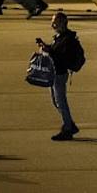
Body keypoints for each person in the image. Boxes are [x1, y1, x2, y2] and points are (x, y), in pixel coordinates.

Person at [37, 11, 83, 140]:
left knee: (60, 101)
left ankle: (68, 128)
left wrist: (49, 51)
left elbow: (61, 57)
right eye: (52, 21)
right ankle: (69, 124)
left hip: (59, 74)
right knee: (56, 101)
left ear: (62, 23)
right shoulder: (60, 37)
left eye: (55, 21)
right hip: (54, 74)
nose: (52, 24)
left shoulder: (66, 39)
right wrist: (47, 47)